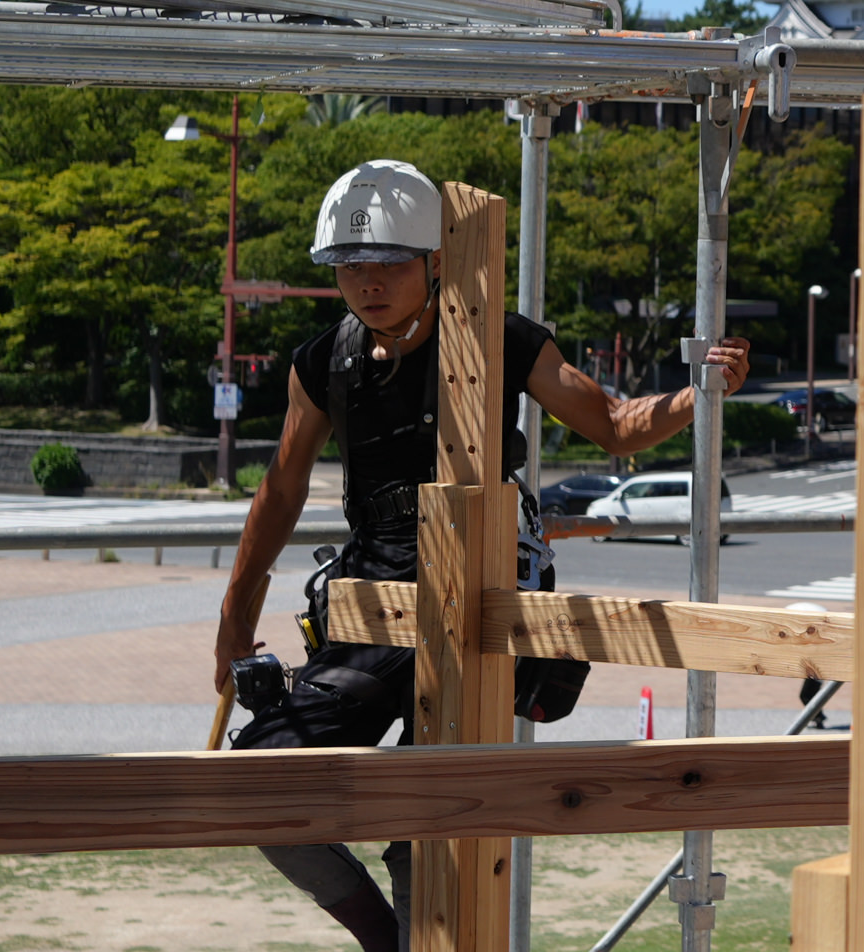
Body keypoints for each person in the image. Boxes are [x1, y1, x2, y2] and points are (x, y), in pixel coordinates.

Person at [211, 158, 749, 952]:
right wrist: (234, 623)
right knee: (258, 776)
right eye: (352, 265)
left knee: (434, 816)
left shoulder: (501, 338)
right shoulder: (324, 361)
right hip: (375, 596)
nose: (369, 281)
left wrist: (700, 390)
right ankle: (385, 941)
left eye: (390, 261)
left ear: (435, 260)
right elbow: (278, 496)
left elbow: (615, 424)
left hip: (480, 585)